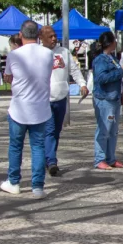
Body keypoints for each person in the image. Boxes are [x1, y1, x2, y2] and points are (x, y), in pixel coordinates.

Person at [1, 20, 54, 199]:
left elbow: (8, 77)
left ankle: (14, 181)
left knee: (15, 146)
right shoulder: (48, 54)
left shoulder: (14, 55)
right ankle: (37, 186)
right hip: (40, 107)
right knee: (38, 147)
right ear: (38, 35)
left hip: (19, 108)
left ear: (20, 35)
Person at [39, 25, 88, 178]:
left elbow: (74, 70)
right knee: (49, 130)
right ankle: (51, 161)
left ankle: (48, 158)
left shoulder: (64, 52)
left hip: (61, 98)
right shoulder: (38, 54)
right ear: (42, 38)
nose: (54, 39)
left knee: (56, 131)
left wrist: (82, 84)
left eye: (55, 35)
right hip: (44, 99)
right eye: (50, 36)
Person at [93, 31, 123, 170]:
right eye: (115, 40)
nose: (116, 42)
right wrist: (119, 72)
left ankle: (111, 158)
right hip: (105, 99)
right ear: (110, 43)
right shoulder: (101, 60)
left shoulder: (112, 58)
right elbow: (101, 78)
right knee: (104, 129)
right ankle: (99, 159)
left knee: (113, 130)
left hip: (114, 98)